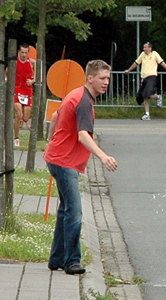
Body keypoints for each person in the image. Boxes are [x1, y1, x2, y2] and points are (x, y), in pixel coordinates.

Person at [44, 59, 118, 275]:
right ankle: (72, 262)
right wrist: (103, 156)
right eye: (102, 78)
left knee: (64, 211)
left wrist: (50, 143)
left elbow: (57, 117)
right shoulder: (84, 101)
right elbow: (83, 135)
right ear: (90, 79)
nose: (106, 82)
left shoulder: (77, 94)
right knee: (75, 213)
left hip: (58, 158)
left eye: (108, 78)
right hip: (64, 162)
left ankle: (56, 259)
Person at [124, 42, 166, 120]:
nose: (144, 49)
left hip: (152, 77)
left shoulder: (154, 54)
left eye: (145, 47)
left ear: (150, 48)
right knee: (144, 96)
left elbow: (161, 62)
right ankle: (147, 114)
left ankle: (158, 97)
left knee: (149, 93)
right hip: (144, 77)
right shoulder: (142, 55)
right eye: (143, 47)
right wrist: (129, 70)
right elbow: (136, 63)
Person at [13, 43, 36, 147]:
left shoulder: (32, 63)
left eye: (25, 53)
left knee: (26, 118)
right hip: (17, 90)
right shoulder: (14, 62)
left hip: (27, 91)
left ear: (28, 53)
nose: (23, 55)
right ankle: (16, 137)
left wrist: (32, 81)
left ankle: (22, 121)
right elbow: (7, 73)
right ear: (19, 52)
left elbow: (39, 77)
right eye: (22, 52)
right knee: (18, 114)